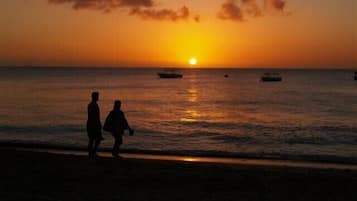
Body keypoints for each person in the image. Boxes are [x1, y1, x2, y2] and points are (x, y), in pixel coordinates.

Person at [86, 92, 103, 158]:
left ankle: (92, 152)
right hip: (93, 124)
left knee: (95, 139)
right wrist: (97, 124)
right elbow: (92, 116)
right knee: (94, 139)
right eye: (97, 96)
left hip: (93, 123)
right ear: (94, 97)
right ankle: (92, 152)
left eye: (98, 96)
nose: (98, 97)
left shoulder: (93, 104)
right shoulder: (92, 105)